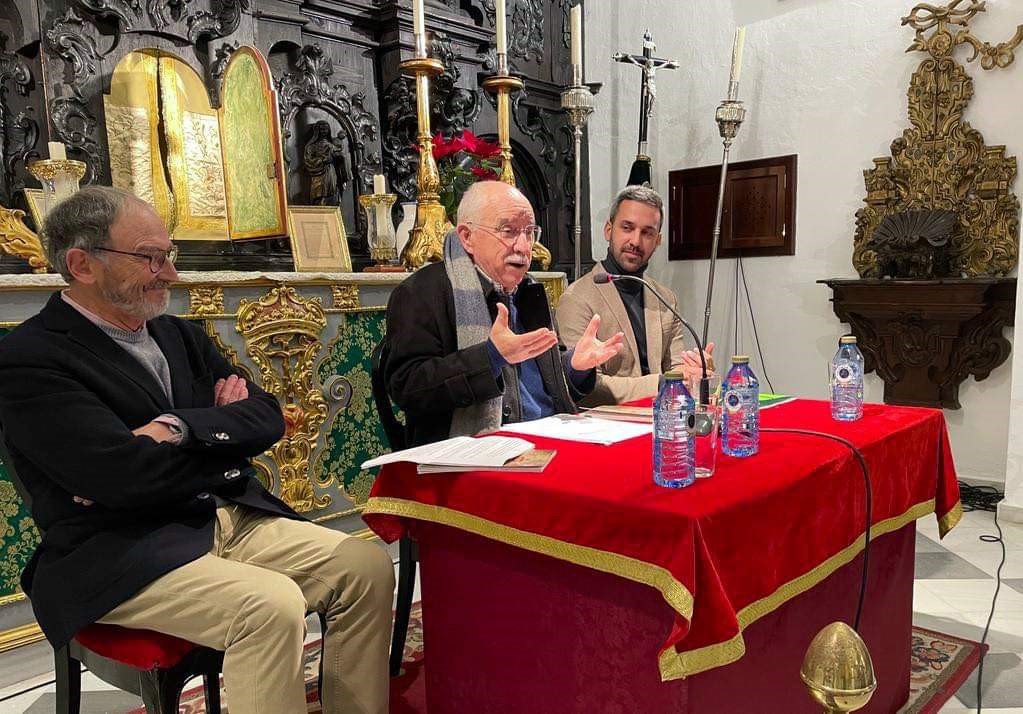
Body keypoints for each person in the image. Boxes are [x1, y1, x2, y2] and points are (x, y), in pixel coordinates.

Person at [0, 187, 393, 714]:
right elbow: (120, 478)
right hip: (120, 546)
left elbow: (266, 417)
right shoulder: (30, 357)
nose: (170, 273)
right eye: (150, 258)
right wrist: (221, 443)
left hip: (221, 515)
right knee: (270, 606)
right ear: (82, 264)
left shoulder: (178, 336)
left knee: (365, 565)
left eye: (170, 255)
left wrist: (177, 428)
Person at [385, 180, 624, 446]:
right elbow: (407, 388)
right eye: (509, 231)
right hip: (470, 452)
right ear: (467, 237)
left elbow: (543, 389)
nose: (523, 246)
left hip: (547, 437)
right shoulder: (421, 292)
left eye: (530, 232)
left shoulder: (530, 290)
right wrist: (490, 357)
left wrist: (574, 366)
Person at [556, 185, 714, 407]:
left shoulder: (665, 298)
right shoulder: (576, 298)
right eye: (627, 228)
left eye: (647, 233)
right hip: (608, 422)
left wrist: (695, 371)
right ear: (608, 230)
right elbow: (585, 388)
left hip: (664, 417)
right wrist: (661, 383)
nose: (636, 242)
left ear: (657, 241)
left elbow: (677, 368)